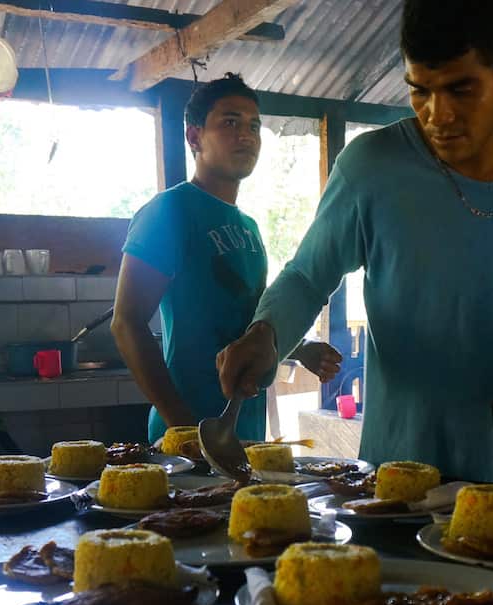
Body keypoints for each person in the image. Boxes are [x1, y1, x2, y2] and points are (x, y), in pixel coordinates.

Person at [214, 0, 493, 486]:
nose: (437, 115)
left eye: (460, 89)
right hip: (403, 470)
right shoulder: (372, 167)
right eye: (419, 91)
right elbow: (307, 276)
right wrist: (265, 333)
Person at [111, 74, 341, 443]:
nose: (246, 136)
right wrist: (183, 428)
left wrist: (299, 350)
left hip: (242, 431)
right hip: (187, 434)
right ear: (194, 137)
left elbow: (247, 315)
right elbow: (126, 323)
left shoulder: (247, 226)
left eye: (254, 126)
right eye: (230, 122)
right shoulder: (169, 210)